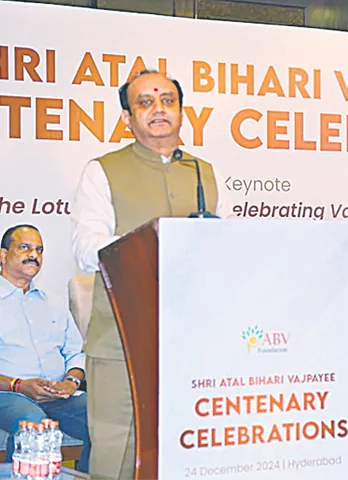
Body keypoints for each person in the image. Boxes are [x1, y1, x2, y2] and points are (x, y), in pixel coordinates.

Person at [71, 70, 231, 478]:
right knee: (116, 455)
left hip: (192, 342)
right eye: (145, 102)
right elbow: (87, 249)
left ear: (181, 111)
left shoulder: (203, 172)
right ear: (127, 117)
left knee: (187, 454)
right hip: (121, 340)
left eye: (167, 100)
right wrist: (154, 242)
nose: (158, 109)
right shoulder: (102, 170)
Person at [0, 225, 90, 472]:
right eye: (25, 247)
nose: (34, 255)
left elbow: (76, 352)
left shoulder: (53, 303)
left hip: (57, 394)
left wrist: (71, 381)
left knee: (106, 421)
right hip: (8, 394)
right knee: (35, 426)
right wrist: (19, 384)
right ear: (3, 255)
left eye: (39, 249)